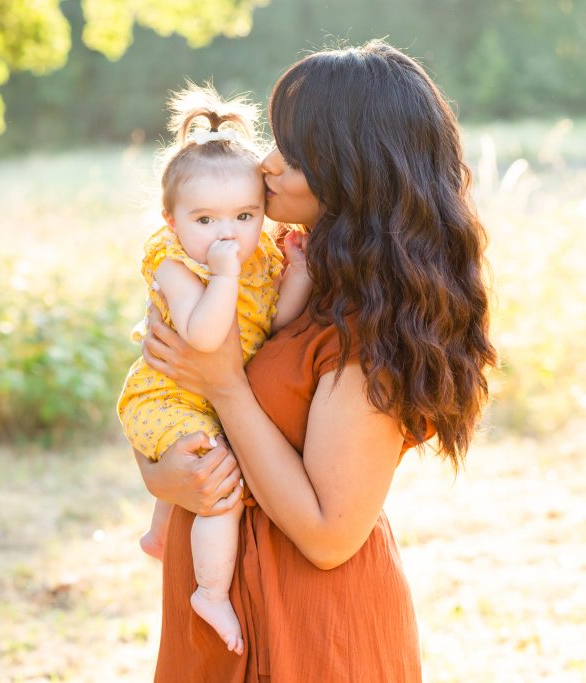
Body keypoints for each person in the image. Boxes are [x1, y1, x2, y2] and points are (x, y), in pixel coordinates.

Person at [135, 40, 498, 682]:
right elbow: (163, 393)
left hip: (310, 629)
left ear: (357, 170)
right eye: (276, 139)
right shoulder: (274, 272)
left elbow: (330, 537)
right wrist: (163, 475)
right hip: (217, 620)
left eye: (296, 153)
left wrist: (224, 387)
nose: (268, 164)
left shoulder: (372, 325)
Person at [117, 84, 313, 655]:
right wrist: (224, 277)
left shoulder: (259, 256)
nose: (227, 232)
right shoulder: (177, 264)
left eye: (245, 215)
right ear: (171, 221)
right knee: (218, 485)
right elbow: (204, 338)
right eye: (205, 219)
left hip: (203, 397)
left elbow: (276, 327)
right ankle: (210, 590)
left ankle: (159, 532)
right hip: (167, 395)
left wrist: (296, 274)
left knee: (208, 455)